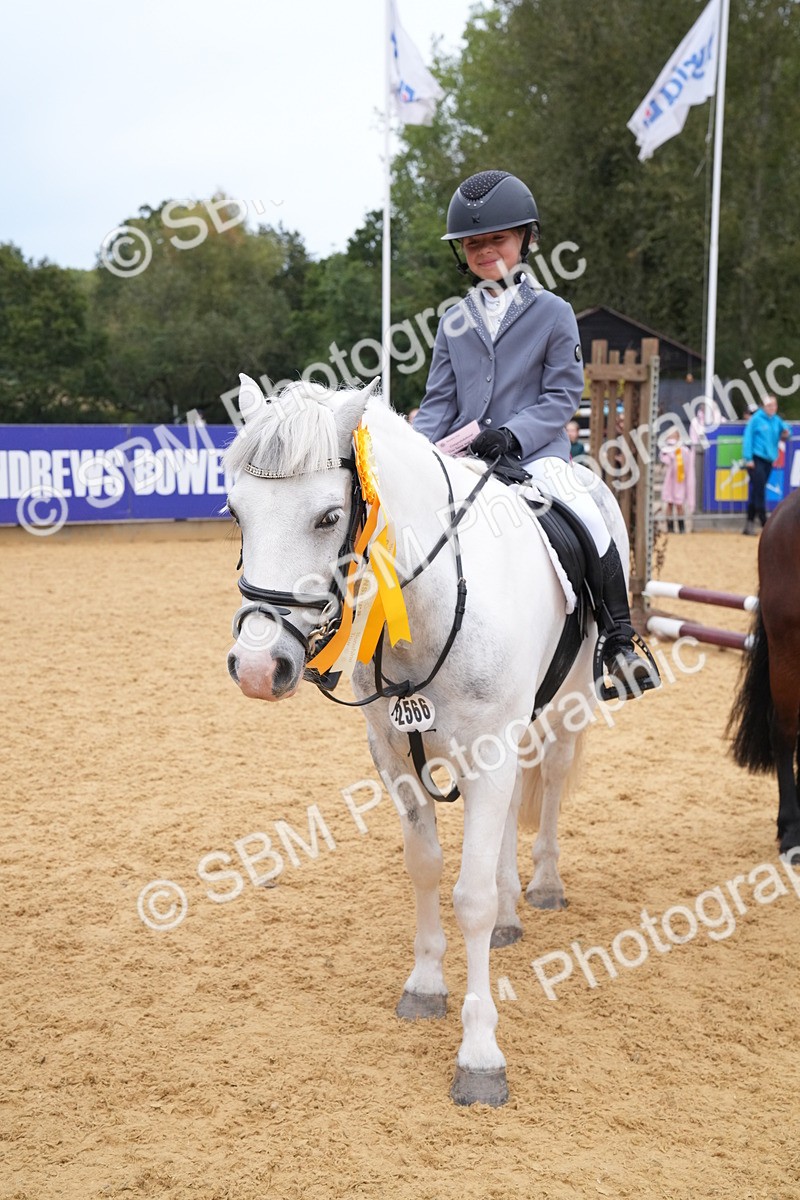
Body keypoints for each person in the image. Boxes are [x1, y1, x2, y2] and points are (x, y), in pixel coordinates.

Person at [413, 169, 655, 699]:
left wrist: (514, 435)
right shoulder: (453, 320)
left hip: (535, 455)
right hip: (464, 459)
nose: (484, 251)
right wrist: (417, 453)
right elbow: (437, 403)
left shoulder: (554, 312)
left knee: (587, 510)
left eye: (496, 239)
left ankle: (617, 639)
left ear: (524, 239)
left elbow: (562, 396)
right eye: (473, 243)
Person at [742, 395, 790, 535]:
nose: (772, 408)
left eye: (774, 405)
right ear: (764, 406)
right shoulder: (756, 419)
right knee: (759, 490)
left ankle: (749, 523)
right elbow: (748, 438)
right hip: (756, 459)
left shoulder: (776, 420)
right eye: (769, 406)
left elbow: (786, 429)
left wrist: (786, 432)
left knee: (756, 490)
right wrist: (748, 458)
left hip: (769, 460)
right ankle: (764, 521)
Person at [660, 426, 695, 533]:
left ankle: (681, 527)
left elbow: (688, 466)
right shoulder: (666, 451)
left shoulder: (684, 451)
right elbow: (664, 460)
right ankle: (670, 527)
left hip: (680, 481)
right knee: (669, 504)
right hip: (670, 481)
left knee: (680, 504)